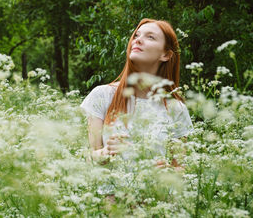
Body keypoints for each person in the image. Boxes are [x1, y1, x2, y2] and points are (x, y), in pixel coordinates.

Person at [80, 18, 194, 168]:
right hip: (114, 192)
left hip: (156, 192)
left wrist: (168, 171)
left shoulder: (175, 108)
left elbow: (181, 170)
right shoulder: (102, 95)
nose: (138, 40)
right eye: (136, 35)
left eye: (150, 37)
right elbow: (91, 157)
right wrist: (105, 153)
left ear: (166, 55)